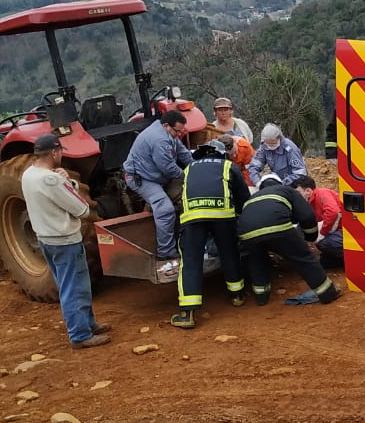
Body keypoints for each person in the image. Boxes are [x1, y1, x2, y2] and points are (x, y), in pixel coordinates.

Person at [20, 133, 111, 350]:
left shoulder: (28, 174)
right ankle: (80, 334)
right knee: (74, 287)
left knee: (73, 284)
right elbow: (81, 208)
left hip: (46, 239)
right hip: (64, 240)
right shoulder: (50, 180)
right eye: (60, 151)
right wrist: (68, 183)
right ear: (54, 152)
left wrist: (65, 181)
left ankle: (88, 324)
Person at [171, 138, 251, 329]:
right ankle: (237, 296)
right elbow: (243, 197)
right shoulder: (227, 165)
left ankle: (187, 314)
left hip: (193, 218)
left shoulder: (189, 168)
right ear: (222, 153)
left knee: (191, 261)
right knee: (229, 252)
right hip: (222, 216)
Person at [236, 171, 342, 307]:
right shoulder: (286, 191)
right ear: (280, 183)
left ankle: (261, 297)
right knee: (303, 258)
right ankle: (327, 293)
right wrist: (310, 237)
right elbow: (306, 215)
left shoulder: (253, 197)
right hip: (277, 226)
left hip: (247, 233)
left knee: (257, 261)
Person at [123, 109, 193, 271]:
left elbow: (183, 153)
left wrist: (196, 167)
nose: (179, 134)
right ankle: (166, 252)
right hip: (141, 178)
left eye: (181, 131)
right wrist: (188, 176)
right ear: (167, 126)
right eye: (177, 131)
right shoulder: (160, 140)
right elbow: (168, 168)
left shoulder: (169, 134)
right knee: (165, 209)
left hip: (156, 174)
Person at [293, 175, 344, 268]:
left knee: (325, 242)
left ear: (308, 191)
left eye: (298, 192)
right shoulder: (309, 201)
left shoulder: (322, 193)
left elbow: (333, 212)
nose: (296, 196)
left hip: (346, 231)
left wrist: (322, 233)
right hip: (338, 230)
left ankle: (354, 261)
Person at [248, 123, 307, 189]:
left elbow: (300, 173)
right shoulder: (264, 147)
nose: (270, 146)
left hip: (292, 186)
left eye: (273, 143)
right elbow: (254, 167)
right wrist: (257, 182)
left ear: (279, 138)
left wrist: (283, 183)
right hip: (276, 183)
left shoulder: (290, 148)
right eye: (268, 144)